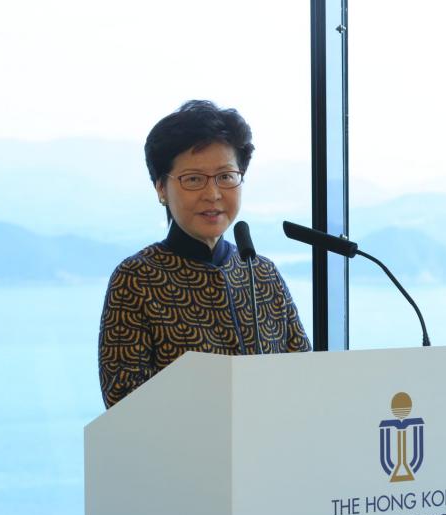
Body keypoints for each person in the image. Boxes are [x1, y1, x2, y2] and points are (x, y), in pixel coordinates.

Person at [98, 100, 311, 408]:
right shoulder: (136, 279)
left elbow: (306, 379)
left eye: (226, 176)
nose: (212, 194)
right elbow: (124, 402)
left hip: (274, 452)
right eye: (194, 179)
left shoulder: (262, 273)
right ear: (161, 188)